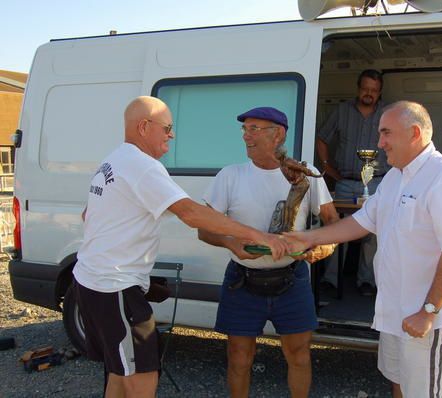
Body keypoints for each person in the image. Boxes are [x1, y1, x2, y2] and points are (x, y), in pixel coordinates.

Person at [72, 97, 289, 398]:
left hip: (91, 283)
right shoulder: (143, 166)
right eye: (168, 128)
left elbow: (88, 214)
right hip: (114, 288)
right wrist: (260, 236)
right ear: (144, 126)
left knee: (120, 373)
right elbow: (191, 213)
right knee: (143, 377)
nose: (172, 135)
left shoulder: (113, 159)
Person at [287, 101, 442, 398]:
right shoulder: (394, 177)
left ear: (414, 133)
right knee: (398, 384)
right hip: (395, 312)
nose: (379, 143)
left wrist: (428, 311)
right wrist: (306, 239)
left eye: (386, 133)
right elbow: (361, 222)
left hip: (426, 318)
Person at [198, 107, 338, 398]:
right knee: (238, 358)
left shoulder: (305, 174)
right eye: (244, 129)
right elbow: (204, 229)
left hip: (292, 278)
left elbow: (333, 221)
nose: (246, 136)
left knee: (299, 355)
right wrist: (229, 242)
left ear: (279, 135)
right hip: (242, 279)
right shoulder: (230, 176)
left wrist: (326, 245)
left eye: (254, 129)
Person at [316, 69, 391, 296]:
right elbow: (322, 138)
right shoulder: (342, 111)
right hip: (345, 183)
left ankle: (367, 281)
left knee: (373, 233)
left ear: (380, 92)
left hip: (378, 183)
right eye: (365, 89)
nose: (369, 94)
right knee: (337, 229)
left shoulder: (388, 113)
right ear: (358, 89)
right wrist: (329, 169)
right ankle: (331, 280)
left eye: (374, 90)